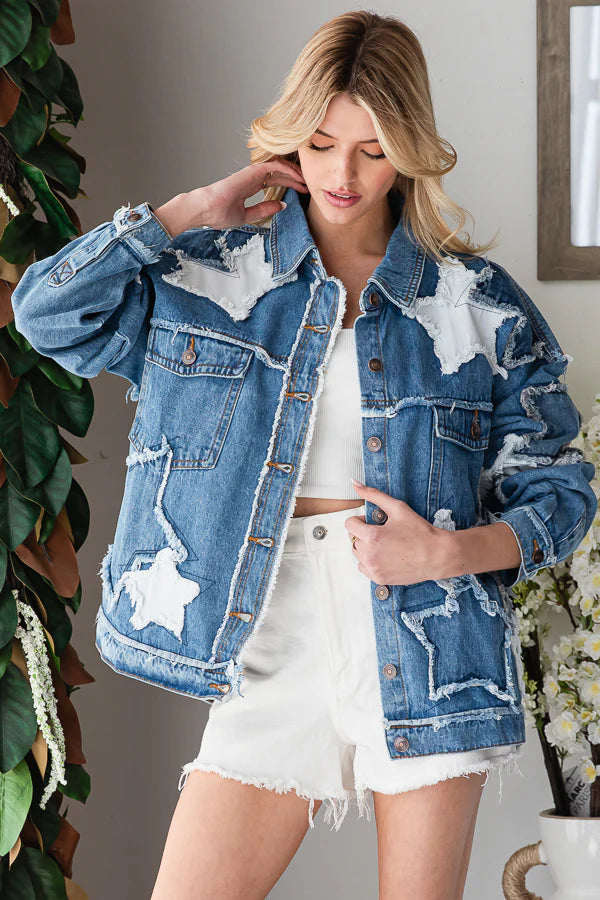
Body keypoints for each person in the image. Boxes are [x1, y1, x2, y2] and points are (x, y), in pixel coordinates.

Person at [9, 10, 597, 900]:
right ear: (291, 139)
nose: (343, 174)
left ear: (408, 148)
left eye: (372, 149)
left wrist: (448, 552)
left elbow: (562, 490)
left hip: (429, 637)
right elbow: (46, 315)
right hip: (270, 631)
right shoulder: (209, 274)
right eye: (321, 144)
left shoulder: (475, 303)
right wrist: (184, 214)